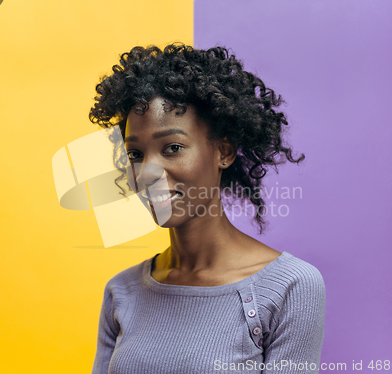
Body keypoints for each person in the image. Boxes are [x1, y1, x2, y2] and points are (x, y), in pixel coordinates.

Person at [88, 43, 326, 374]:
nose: (148, 172)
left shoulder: (289, 288)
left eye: (172, 148)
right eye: (135, 154)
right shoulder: (122, 292)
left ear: (223, 151)